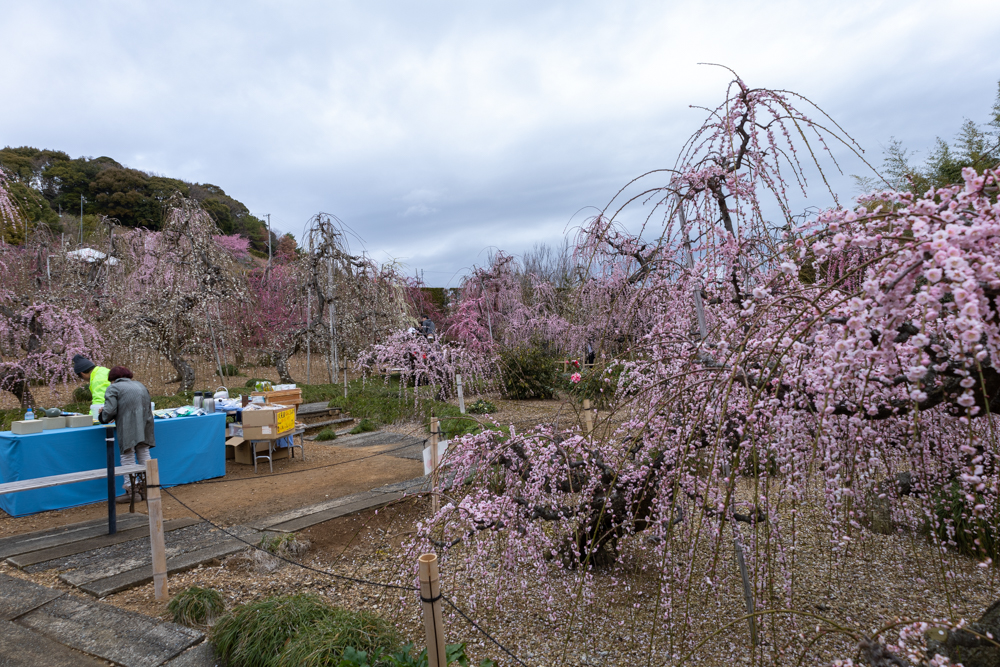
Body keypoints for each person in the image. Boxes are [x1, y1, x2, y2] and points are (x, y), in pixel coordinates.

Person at [97, 366, 155, 502]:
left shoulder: (113, 388)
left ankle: (132, 491)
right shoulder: (140, 385)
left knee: (127, 456)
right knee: (144, 453)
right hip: (145, 424)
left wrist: (102, 415)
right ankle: (149, 488)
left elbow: (110, 410)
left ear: (112, 378)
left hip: (128, 425)